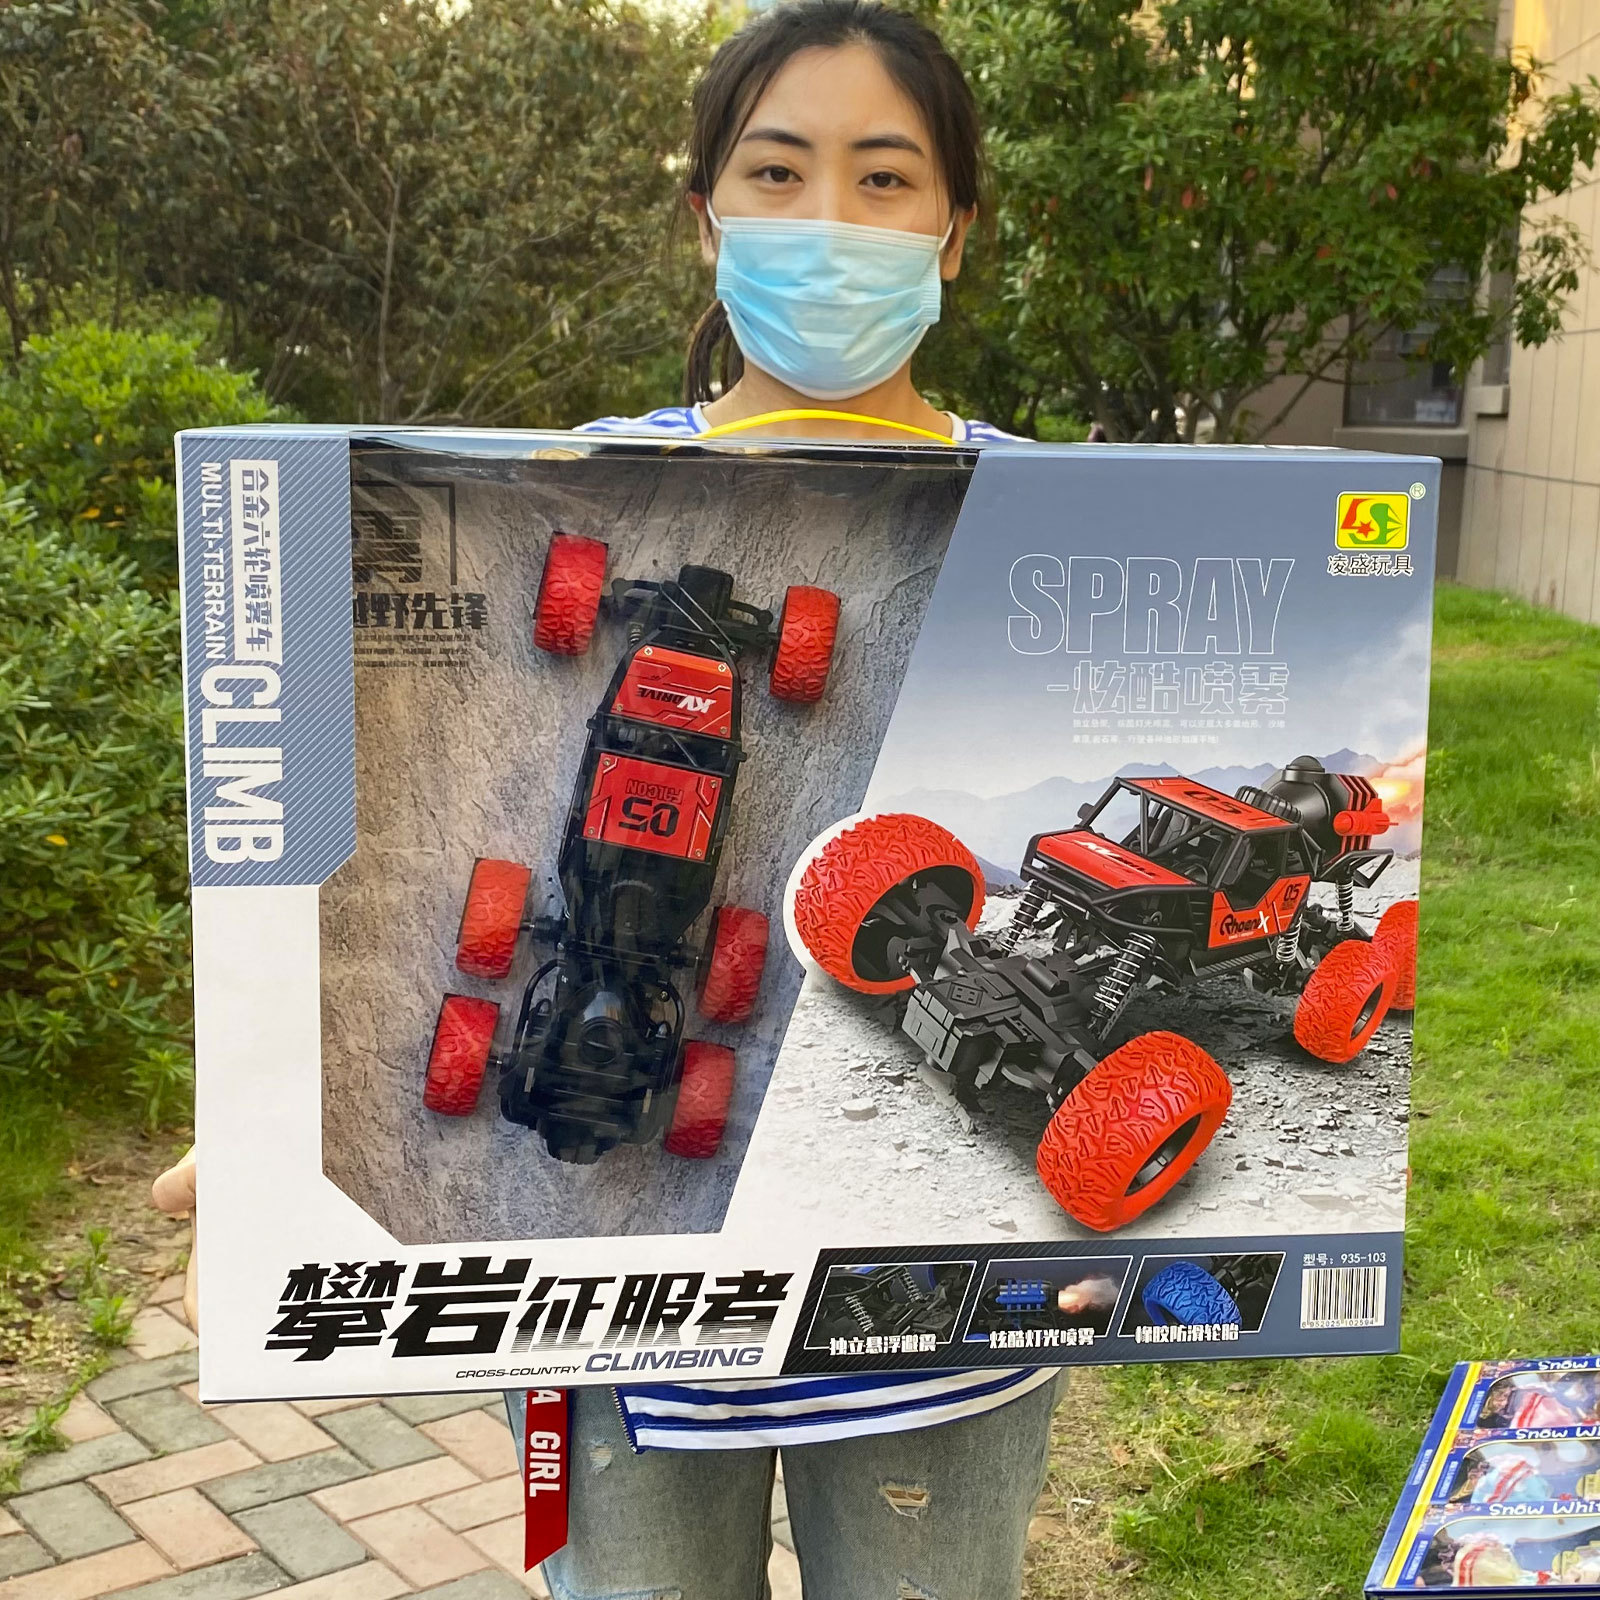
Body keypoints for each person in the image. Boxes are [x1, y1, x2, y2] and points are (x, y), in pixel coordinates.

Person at [154, 5, 1064, 1596]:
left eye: (882, 178)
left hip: (930, 1340)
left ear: (955, 229)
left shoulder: (1049, 515)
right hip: (617, 1344)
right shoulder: (577, 481)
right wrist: (262, 1112)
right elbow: (294, 795)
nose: (827, 219)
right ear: (708, 216)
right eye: (776, 173)